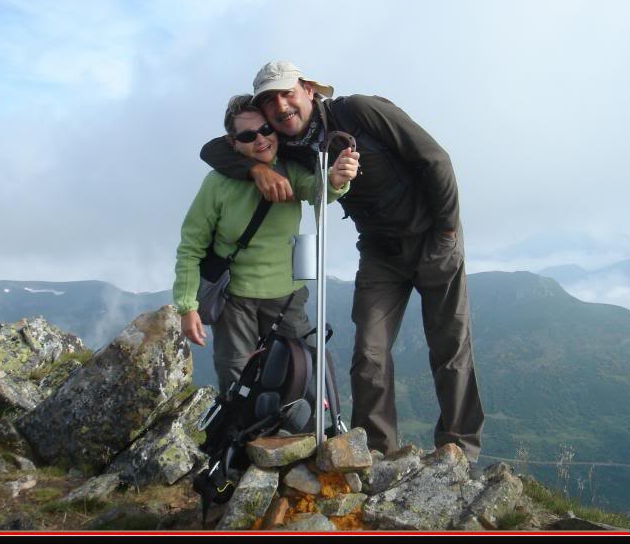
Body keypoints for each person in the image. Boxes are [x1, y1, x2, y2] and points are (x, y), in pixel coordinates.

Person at [200, 61, 484, 462]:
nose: (280, 106)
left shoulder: (361, 112)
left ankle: (460, 450)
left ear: (309, 90)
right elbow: (212, 149)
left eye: (287, 93)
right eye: (269, 101)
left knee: (449, 347)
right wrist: (255, 170)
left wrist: (447, 232)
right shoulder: (284, 145)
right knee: (369, 354)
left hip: (432, 237)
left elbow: (435, 159)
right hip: (379, 253)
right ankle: (374, 453)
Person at [174, 94, 359, 394]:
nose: (260, 139)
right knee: (237, 380)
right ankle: (241, 438)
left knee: (303, 370)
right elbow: (191, 246)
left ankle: (302, 433)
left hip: (287, 297)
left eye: (265, 130)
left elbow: (316, 191)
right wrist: (187, 307)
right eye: (248, 135)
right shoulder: (217, 184)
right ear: (232, 142)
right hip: (234, 300)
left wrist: (336, 179)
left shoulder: (290, 169)